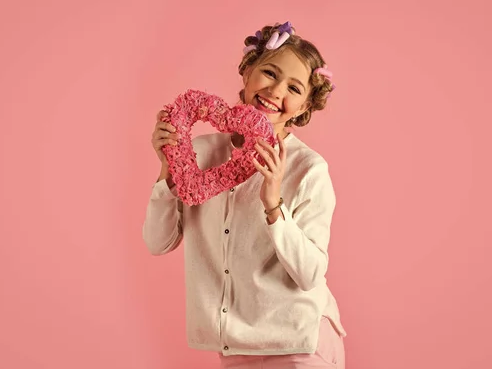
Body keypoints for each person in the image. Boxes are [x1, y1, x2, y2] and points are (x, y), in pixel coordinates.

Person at [143, 21, 346, 368]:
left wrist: (273, 204)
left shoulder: (309, 169)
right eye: (269, 72)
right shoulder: (199, 153)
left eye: (294, 88)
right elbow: (157, 242)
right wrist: (168, 170)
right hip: (235, 350)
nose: (276, 90)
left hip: (300, 344)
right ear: (247, 72)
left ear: (303, 107)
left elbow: (310, 274)